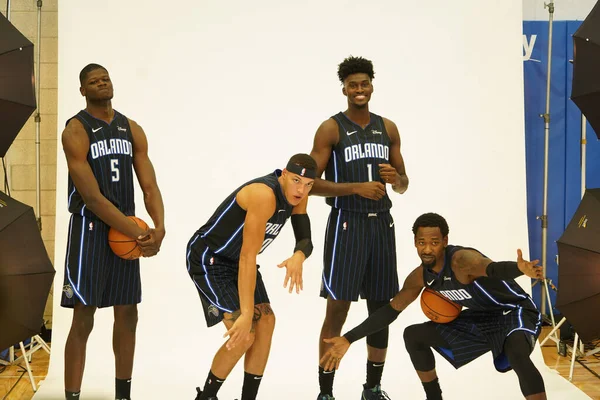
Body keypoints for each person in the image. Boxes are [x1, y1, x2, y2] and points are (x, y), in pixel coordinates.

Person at [320, 212, 547, 400]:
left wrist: (520, 270)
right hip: (480, 317)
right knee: (414, 335)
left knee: (517, 353)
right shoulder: (420, 277)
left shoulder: (461, 261)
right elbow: (390, 311)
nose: (427, 249)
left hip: (515, 312)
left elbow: (494, 269)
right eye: (422, 242)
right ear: (415, 243)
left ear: (445, 242)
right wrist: (349, 338)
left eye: (434, 242)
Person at [61, 63, 165, 400]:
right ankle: (72, 395)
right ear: (83, 91)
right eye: (93, 81)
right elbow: (91, 198)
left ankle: (123, 395)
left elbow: (149, 186)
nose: (101, 83)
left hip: (126, 233)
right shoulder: (75, 130)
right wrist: (135, 232)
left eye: (105, 78)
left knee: (128, 312)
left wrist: (159, 228)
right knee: (84, 317)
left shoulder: (131, 128)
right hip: (90, 231)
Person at [309, 55, 409, 399]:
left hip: (382, 224)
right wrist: (355, 188)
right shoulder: (331, 128)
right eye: (353, 85)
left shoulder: (389, 127)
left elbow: (404, 183)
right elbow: (309, 182)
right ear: (344, 89)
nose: (359, 89)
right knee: (338, 307)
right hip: (347, 224)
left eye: (364, 83)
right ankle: (325, 391)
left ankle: (373, 388)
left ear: (372, 85)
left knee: (381, 309)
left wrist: (397, 178)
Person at [187, 154, 317, 400]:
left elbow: (305, 239)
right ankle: (206, 397)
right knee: (244, 334)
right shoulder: (263, 195)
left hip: (238, 262)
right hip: (210, 259)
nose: (301, 190)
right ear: (284, 174)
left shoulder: (299, 196)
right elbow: (248, 257)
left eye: (308, 184)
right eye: (297, 181)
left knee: (267, 321)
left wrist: (299, 255)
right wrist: (246, 314)